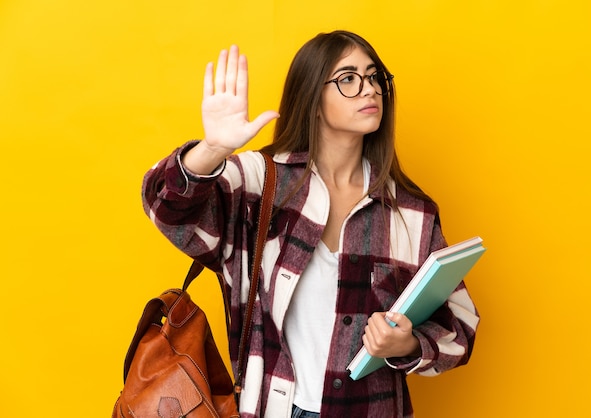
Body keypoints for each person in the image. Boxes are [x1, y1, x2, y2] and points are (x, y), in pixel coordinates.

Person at [142, 30, 479, 418]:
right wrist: (213, 149)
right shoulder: (260, 182)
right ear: (313, 99)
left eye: (374, 77)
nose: (368, 89)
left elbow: (461, 325)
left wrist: (406, 346)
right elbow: (164, 207)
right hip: (273, 408)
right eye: (348, 78)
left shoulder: (412, 212)